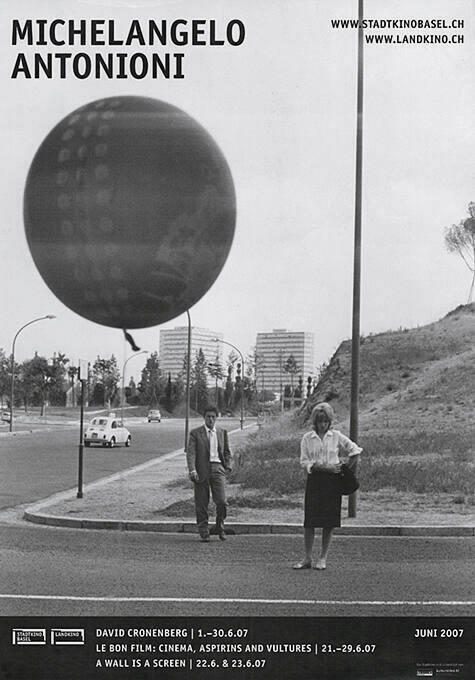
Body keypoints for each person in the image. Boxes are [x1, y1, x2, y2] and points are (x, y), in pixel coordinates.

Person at [293, 402, 362, 570]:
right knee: (310, 521)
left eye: (325, 421)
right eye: (319, 421)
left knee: (329, 521)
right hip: (315, 480)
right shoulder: (307, 438)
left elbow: (355, 451)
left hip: (332, 482)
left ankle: (323, 558)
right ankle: (307, 557)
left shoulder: (336, 436)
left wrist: (344, 468)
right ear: (315, 422)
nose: (322, 424)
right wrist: (322, 466)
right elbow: (304, 461)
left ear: (330, 421)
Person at [186, 405, 232, 542]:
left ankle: (220, 525)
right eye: (208, 417)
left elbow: (227, 452)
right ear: (204, 418)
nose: (210, 419)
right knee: (201, 502)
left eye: (213, 417)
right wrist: (192, 470)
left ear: (216, 418)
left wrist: (228, 467)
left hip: (218, 469)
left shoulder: (222, 433)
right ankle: (203, 530)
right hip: (201, 470)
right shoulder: (195, 433)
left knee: (222, 501)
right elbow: (191, 453)